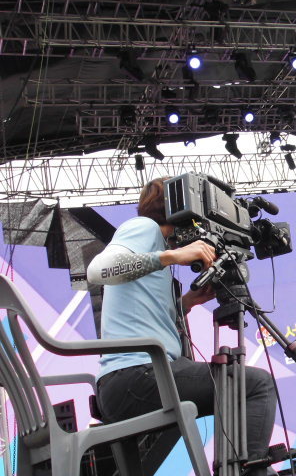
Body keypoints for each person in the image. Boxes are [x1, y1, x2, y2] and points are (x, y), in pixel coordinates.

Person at [87, 177, 276, 476]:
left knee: (240, 383)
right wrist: (172, 256)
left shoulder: (156, 250)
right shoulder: (144, 227)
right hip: (136, 377)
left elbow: (144, 311)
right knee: (256, 384)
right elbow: (97, 271)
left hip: (131, 381)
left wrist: (186, 302)